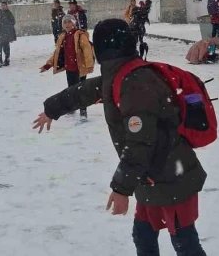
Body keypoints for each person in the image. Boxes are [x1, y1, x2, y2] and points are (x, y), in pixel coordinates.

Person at [32, 19, 208, 256]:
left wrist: (122, 189)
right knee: (143, 236)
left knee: (184, 243)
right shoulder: (120, 74)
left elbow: (140, 142)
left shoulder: (135, 83)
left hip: (170, 176)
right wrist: (52, 109)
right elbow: (83, 92)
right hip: (150, 175)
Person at [40, 14, 95, 119]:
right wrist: (48, 65)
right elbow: (57, 53)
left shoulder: (79, 35)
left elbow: (87, 50)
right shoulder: (63, 36)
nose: (67, 24)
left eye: (69, 22)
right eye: (65, 22)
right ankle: (72, 108)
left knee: (81, 91)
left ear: (74, 23)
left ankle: (83, 112)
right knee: (71, 91)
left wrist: (89, 65)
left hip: (80, 68)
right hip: (69, 68)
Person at [0, 1, 17, 68]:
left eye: (4, 5)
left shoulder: (9, 13)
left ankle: (7, 60)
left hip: (6, 34)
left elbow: (13, 22)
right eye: (2, 5)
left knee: (6, 48)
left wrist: (5, 26)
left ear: (6, 6)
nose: (3, 6)